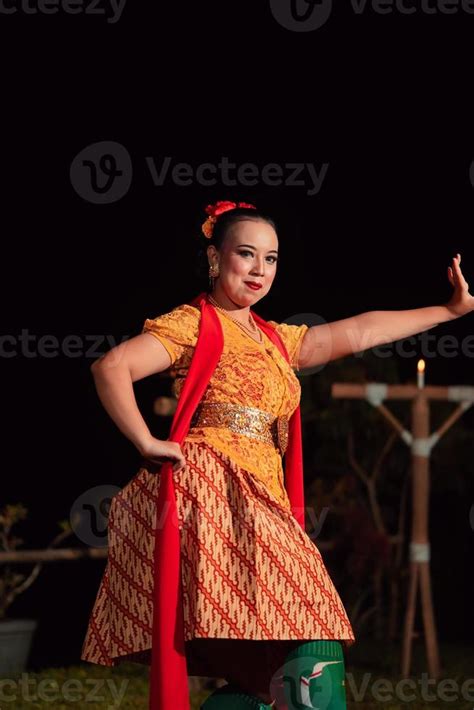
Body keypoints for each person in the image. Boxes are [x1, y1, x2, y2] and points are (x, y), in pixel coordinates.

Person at [80, 200, 473, 710]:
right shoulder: (195, 323)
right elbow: (112, 367)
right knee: (312, 626)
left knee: (268, 667)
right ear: (215, 259)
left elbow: (360, 329)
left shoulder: (273, 339)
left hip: (262, 498)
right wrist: (147, 442)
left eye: (271, 258)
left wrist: (447, 311)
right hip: (215, 492)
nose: (260, 269)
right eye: (246, 254)